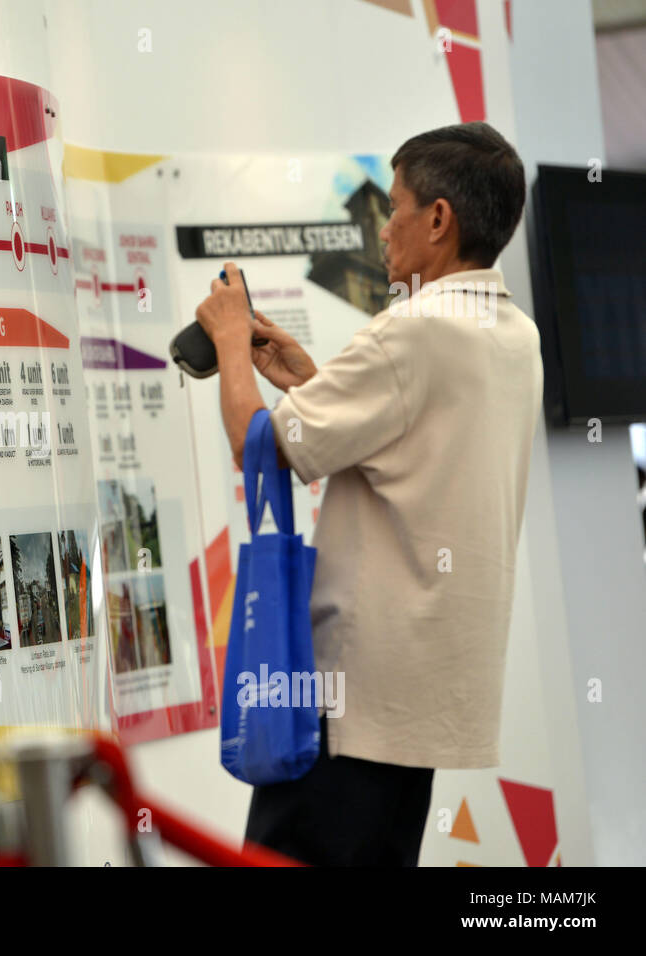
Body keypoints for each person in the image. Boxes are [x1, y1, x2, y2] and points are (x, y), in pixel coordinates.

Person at [194, 122, 540, 866]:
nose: (385, 232)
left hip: (349, 705)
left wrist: (229, 342)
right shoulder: (514, 335)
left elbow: (259, 450)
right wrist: (313, 385)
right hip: (417, 702)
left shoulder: (411, 331)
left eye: (397, 209)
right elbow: (415, 454)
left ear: (439, 220)